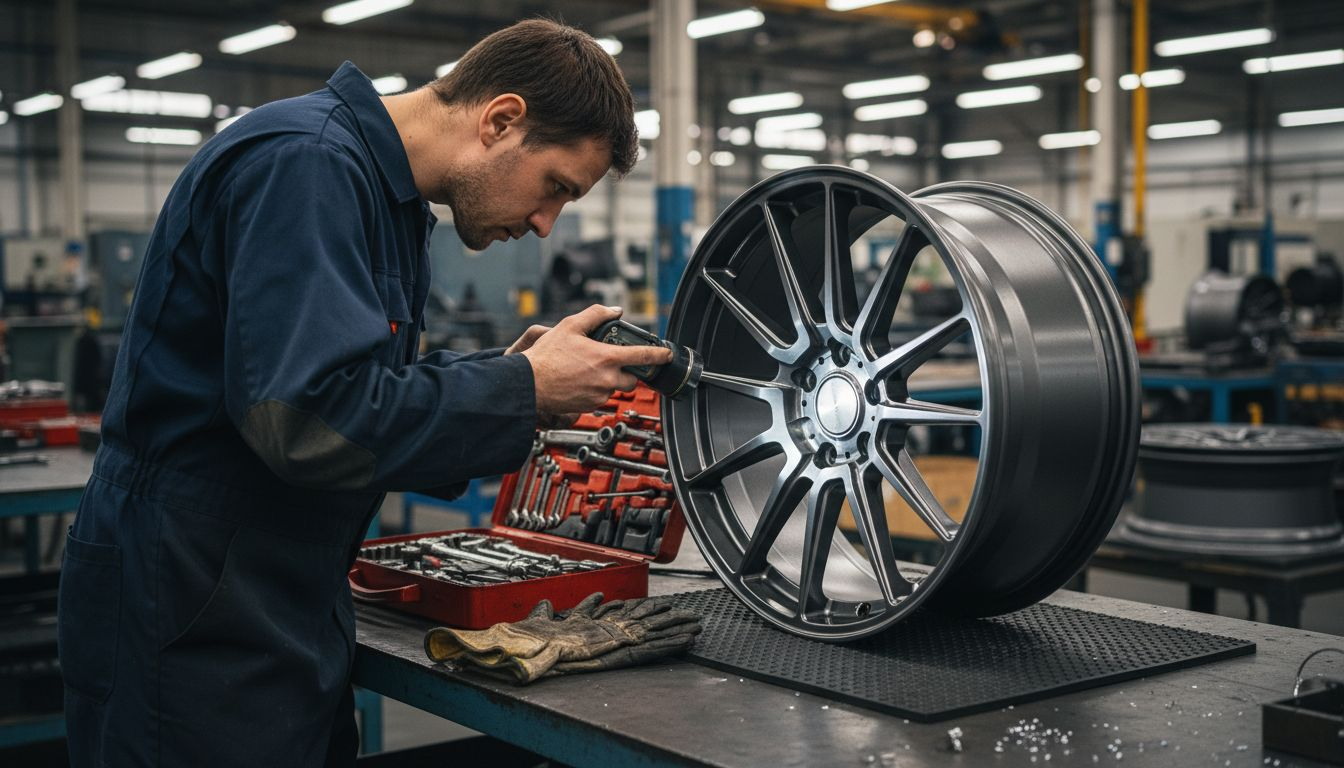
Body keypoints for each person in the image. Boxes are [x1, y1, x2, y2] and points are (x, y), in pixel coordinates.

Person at [58, 19, 669, 767]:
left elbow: (358, 388)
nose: (547, 224)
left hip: (276, 593)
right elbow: (309, 420)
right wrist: (518, 390)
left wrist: (510, 377)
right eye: (555, 188)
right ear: (501, 120)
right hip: (190, 608)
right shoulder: (306, 165)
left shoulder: (386, 200)